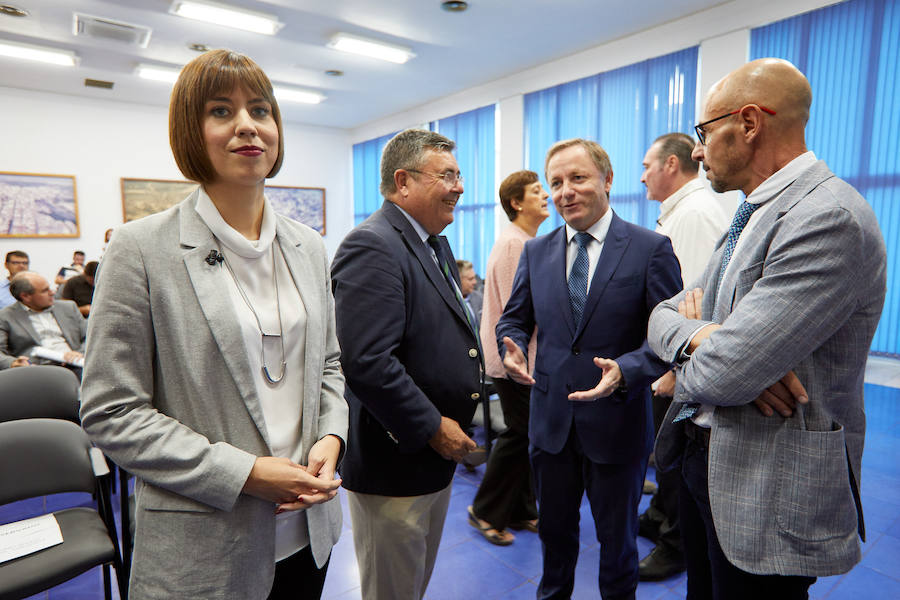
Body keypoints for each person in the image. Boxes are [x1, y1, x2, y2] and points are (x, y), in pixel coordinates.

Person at [79, 49, 348, 600]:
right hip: (202, 547)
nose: (247, 125)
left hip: (308, 533)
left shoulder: (308, 246)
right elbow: (112, 412)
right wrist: (246, 472)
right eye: (221, 111)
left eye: (260, 110)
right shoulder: (141, 248)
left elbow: (329, 363)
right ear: (190, 131)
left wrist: (331, 434)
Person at [648, 58, 886, 600]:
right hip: (704, 460)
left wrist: (711, 354)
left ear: (750, 123)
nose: (699, 150)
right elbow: (662, 314)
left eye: (703, 133)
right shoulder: (753, 212)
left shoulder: (826, 217)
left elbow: (725, 374)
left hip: (768, 484)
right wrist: (707, 338)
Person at [497, 139, 682, 600]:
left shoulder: (649, 248)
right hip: (551, 423)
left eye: (577, 178)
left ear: (607, 180)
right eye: (556, 183)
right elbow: (515, 317)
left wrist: (626, 370)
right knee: (554, 540)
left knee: (617, 547)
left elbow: (668, 336)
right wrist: (513, 345)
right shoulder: (536, 251)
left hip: (617, 424)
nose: (565, 192)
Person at [331, 128, 482, 600]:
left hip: (430, 460)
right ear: (403, 182)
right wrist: (434, 426)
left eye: (460, 175)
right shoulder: (372, 245)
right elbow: (368, 362)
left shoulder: (432, 243)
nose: (459, 187)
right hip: (395, 461)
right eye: (447, 176)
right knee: (391, 590)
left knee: (412, 585)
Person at [637, 132, 729, 581]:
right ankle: (659, 519)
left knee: (676, 459)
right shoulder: (680, 211)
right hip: (670, 358)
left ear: (671, 165)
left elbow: (691, 304)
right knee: (667, 453)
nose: (642, 176)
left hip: (680, 367)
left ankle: (674, 544)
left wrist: (678, 370)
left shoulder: (693, 214)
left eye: (647, 166)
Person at [467, 169, 548, 546]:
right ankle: (484, 510)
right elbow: (520, 310)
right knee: (519, 434)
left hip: (518, 356)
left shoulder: (523, 240)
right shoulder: (516, 244)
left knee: (524, 433)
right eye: (537, 191)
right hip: (511, 357)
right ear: (517, 203)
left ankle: (522, 510)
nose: (546, 195)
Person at [0, 272, 85, 370]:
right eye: (45, 290)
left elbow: (89, 337)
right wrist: (13, 363)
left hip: (74, 364)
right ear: (25, 296)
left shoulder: (68, 307)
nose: (52, 292)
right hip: (36, 370)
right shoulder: (5, 316)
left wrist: (80, 353)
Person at [456, 259, 483, 324]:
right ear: (458, 279)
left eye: (474, 278)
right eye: (470, 279)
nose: (475, 282)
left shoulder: (479, 297)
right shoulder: (450, 301)